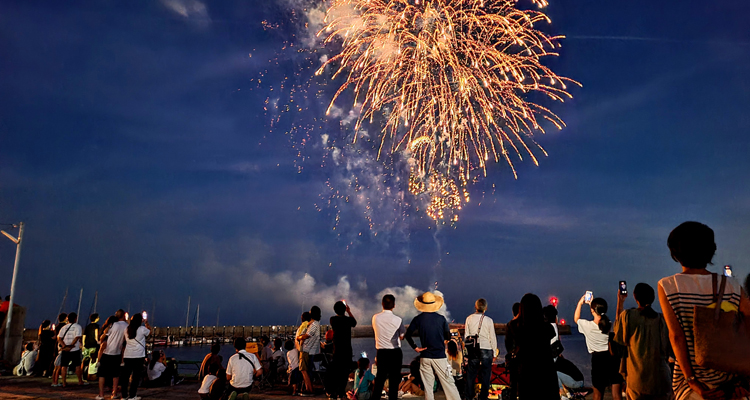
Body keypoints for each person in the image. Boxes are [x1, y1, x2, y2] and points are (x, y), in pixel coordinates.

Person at [658, 221, 750, 400]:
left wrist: (691, 380)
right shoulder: (731, 285)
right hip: (731, 383)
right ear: (711, 250)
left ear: (675, 253)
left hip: (693, 386)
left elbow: (676, 336)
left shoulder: (669, 286)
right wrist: (744, 378)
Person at [612, 283, 671, 400]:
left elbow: (618, 333)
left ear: (635, 297)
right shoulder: (661, 319)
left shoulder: (628, 316)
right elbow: (667, 348)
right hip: (660, 378)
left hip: (637, 379)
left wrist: (620, 302)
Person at [405, 291, 461, 400]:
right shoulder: (441, 319)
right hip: (439, 355)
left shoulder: (418, 319)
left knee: (428, 387)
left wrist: (416, 347)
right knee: (448, 383)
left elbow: (408, 335)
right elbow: (448, 337)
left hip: (425, 356)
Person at [506, 293, 558, 400]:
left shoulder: (515, 326)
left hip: (526, 368)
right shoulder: (546, 327)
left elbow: (510, 346)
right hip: (545, 367)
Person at [574, 296, 623, 400]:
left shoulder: (587, 325)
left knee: (598, 395)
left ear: (592, 310)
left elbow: (576, 319)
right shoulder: (609, 324)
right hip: (613, 359)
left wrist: (580, 303)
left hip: (598, 361)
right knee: (617, 395)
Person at [371, 294, 406, 400]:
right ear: (394, 305)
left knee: (380, 379)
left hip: (381, 352)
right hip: (395, 352)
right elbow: (402, 335)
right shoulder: (398, 320)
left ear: (382, 304)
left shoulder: (375, 317)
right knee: (394, 380)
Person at [464, 298, 497, 400]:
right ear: (485, 308)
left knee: (471, 374)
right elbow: (492, 337)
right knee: (486, 374)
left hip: (473, 349)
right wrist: (494, 352)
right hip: (486, 348)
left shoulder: (469, 319)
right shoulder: (489, 320)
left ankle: (468, 396)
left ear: (476, 307)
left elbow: (466, 336)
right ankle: (483, 397)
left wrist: (466, 352)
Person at [97, 310, 128, 400]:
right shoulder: (126, 326)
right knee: (116, 375)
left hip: (107, 352)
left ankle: (101, 395)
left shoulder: (113, 325)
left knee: (102, 374)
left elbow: (103, 338)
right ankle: (114, 394)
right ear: (124, 316)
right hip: (117, 353)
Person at [330, 300, 357, 399]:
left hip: (337, 350)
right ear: (344, 309)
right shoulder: (348, 320)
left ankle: (334, 392)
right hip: (347, 350)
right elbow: (354, 322)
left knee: (336, 372)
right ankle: (341, 393)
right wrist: (349, 311)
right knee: (345, 372)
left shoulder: (333, 320)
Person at [121, 313, 150, 400]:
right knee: (135, 377)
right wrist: (146, 323)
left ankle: (124, 395)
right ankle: (132, 395)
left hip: (128, 355)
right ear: (140, 320)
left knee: (125, 376)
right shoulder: (142, 329)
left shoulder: (126, 329)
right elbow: (150, 332)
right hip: (138, 356)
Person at [57, 312, 86, 387]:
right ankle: (80, 381)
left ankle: (64, 383)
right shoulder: (78, 327)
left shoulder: (64, 327)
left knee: (64, 366)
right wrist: (71, 346)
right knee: (77, 365)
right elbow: (77, 337)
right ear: (75, 318)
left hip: (65, 348)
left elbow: (59, 338)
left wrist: (64, 346)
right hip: (74, 349)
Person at [297, 306, 321, 396]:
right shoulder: (315, 324)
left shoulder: (314, 324)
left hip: (307, 349)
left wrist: (299, 337)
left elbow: (307, 335)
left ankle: (309, 389)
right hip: (310, 350)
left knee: (304, 370)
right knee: (307, 370)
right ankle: (309, 388)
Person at [51, 313, 67, 387]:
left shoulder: (57, 327)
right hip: (62, 348)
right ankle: (56, 382)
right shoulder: (64, 327)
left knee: (56, 366)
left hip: (57, 347)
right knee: (58, 366)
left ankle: (54, 381)